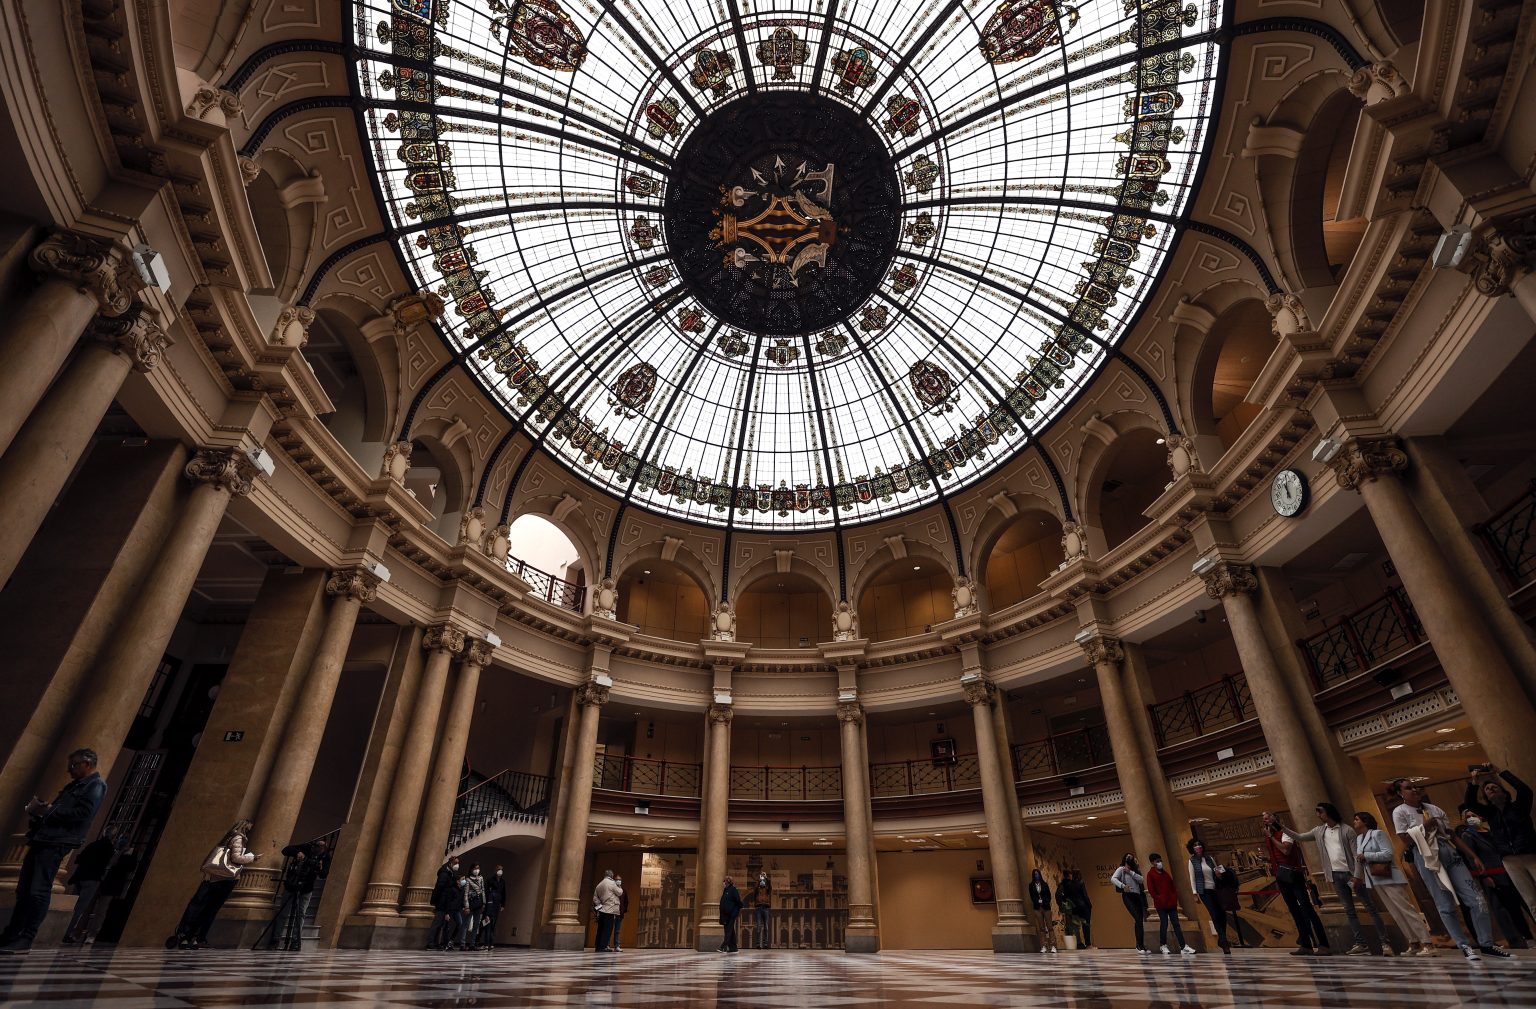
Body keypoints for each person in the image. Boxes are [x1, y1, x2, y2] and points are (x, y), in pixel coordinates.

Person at [1390, 777, 1512, 960]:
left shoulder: (1434, 809)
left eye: (1415, 786)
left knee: (1477, 899)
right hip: (1427, 857)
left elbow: (1451, 835)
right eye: (1409, 788)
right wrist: (1424, 827)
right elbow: (1405, 839)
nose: (1414, 790)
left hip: (1449, 853)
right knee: (1445, 904)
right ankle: (1464, 945)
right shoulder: (1400, 811)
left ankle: (1487, 944)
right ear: (1400, 793)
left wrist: (1473, 856)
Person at [0, 748, 108, 955]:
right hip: (43, 839)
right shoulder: (74, 785)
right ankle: (11, 934)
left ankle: (26, 938)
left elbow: (83, 814)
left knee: (38, 891)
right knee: (24, 890)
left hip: (56, 843)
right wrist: (42, 813)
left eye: (74, 765)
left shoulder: (95, 785)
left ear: (87, 764)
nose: (69, 769)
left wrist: (50, 810)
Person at [1281, 802, 1383, 955]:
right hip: (1336, 875)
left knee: (1370, 907)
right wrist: (1281, 827)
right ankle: (1361, 944)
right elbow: (1300, 837)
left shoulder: (1347, 830)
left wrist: (1357, 876)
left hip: (1351, 874)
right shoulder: (1319, 831)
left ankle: (1384, 942)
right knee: (1349, 911)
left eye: (1320, 812)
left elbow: (1356, 855)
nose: (1318, 815)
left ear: (1329, 812)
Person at [166, 820, 259, 950]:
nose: (251, 829)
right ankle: (196, 938)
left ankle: (186, 936)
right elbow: (236, 858)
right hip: (224, 878)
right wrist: (252, 858)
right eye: (250, 826)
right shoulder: (239, 838)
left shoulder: (228, 837)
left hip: (212, 877)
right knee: (210, 909)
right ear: (246, 826)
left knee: (198, 906)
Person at [1464, 764, 1536, 933]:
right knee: (1530, 899)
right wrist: (1474, 781)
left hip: (1530, 854)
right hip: (1510, 861)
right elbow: (1470, 803)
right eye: (1487, 789)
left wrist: (1500, 772)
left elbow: (1524, 790)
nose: (1491, 789)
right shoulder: (1490, 813)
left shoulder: (1519, 807)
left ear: (1504, 792)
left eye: (1494, 787)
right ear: (1487, 797)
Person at [1353, 810, 1429, 956]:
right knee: (1395, 912)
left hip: (1389, 876)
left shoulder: (1378, 834)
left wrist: (1366, 855)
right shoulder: (1359, 839)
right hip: (1375, 879)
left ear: (1365, 821)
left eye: (1357, 819)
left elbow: (1388, 853)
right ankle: (1413, 942)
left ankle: (1427, 942)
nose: (1354, 822)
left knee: (1406, 909)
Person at [1457, 806, 1530, 948]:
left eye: (1473, 815)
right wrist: (1484, 876)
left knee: (1518, 904)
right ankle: (1515, 941)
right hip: (1490, 875)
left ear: (1480, 816)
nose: (1471, 819)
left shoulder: (1489, 831)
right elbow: (1472, 858)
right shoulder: (1468, 835)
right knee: (1501, 909)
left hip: (1506, 871)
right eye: (1468, 817)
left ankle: (1528, 936)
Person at [1260, 810, 1329, 956]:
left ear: (1275, 819)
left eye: (1268, 818)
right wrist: (1267, 859)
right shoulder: (1269, 836)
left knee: (1307, 908)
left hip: (1293, 875)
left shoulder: (1285, 833)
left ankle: (1323, 944)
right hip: (1281, 876)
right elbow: (1278, 856)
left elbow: (1286, 850)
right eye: (1263, 819)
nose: (1265, 821)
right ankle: (1306, 944)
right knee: (1294, 910)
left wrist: (1271, 837)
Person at [268, 839, 328, 951]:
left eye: (321, 848)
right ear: (313, 846)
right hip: (292, 885)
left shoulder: (325, 857)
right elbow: (286, 850)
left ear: (324, 849)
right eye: (316, 846)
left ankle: (295, 942)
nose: (317, 849)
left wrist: (320, 868)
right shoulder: (305, 848)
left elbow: (324, 874)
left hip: (307, 888)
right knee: (283, 912)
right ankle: (275, 939)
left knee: (300, 915)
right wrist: (297, 853)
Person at [62, 831, 119, 943]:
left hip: (80, 877)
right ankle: (66, 933)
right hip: (92, 879)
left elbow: (79, 858)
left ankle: (63, 930)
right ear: (114, 837)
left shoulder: (93, 844)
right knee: (79, 908)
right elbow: (109, 864)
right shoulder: (109, 848)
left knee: (73, 906)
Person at [1145, 853, 1194, 954]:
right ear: (1153, 862)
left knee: (1176, 924)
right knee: (1164, 923)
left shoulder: (1165, 874)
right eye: (1157, 861)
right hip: (1161, 905)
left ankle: (1183, 946)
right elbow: (1151, 890)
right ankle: (1163, 945)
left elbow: (1172, 886)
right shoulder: (1150, 874)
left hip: (1171, 904)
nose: (1160, 863)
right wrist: (1159, 899)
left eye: (1160, 860)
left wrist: (1174, 897)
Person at [1186, 838, 1230, 954]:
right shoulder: (1192, 861)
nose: (1198, 847)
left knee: (1222, 914)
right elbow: (1192, 878)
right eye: (1195, 845)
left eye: (1199, 844)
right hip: (1204, 891)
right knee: (1214, 914)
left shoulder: (1209, 858)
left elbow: (1216, 871)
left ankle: (1222, 938)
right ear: (1192, 848)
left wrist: (1219, 874)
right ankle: (1224, 941)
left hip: (1215, 889)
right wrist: (1194, 893)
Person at [1111, 853, 1149, 955]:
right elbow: (1113, 879)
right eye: (1128, 857)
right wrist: (1123, 886)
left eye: (1131, 857)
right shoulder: (1121, 869)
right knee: (1138, 919)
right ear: (1124, 859)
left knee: (1140, 921)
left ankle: (1141, 945)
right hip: (1128, 897)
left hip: (1137, 896)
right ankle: (1139, 946)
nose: (1129, 858)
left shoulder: (1134, 870)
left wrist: (1131, 872)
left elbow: (1141, 880)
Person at [428, 856, 461, 950]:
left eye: (458, 863)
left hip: (446, 901)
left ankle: (436, 943)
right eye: (456, 863)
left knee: (441, 924)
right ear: (450, 863)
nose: (457, 865)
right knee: (437, 923)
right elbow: (440, 888)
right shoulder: (444, 873)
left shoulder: (450, 873)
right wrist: (436, 900)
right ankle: (430, 943)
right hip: (442, 901)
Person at [1213, 859, 1246, 947]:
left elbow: (1223, 878)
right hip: (1224, 896)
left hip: (1224, 897)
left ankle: (1231, 939)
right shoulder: (1219, 869)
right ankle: (1229, 939)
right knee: (1224, 916)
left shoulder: (1219, 868)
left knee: (1225, 916)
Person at [1026, 868, 1057, 952]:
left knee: (1049, 926)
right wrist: (1037, 901)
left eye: (1038, 874)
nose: (1037, 876)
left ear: (1040, 875)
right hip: (1037, 908)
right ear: (1033, 876)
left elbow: (1049, 896)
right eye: (1035, 874)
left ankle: (1053, 946)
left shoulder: (1044, 884)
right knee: (1041, 928)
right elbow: (1032, 897)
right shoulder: (1031, 885)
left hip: (1046, 907)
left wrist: (1044, 901)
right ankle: (1044, 946)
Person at [456, 863, 485, 952]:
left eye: (478, 868)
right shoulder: (468, 879)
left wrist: (484, 903)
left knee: (476, 925)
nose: (477, 870)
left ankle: (472, 944)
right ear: (471, 869)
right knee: (465, 924)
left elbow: (483, 890)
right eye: (475, 868)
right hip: (470, 903)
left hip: (479, 904)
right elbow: (466, 894)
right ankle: (462, 944)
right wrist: (467, 906)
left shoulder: (481, 878)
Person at [593, 868, 621, 952]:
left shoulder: (599, 884)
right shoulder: (612, 883)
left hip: (602, 910)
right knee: (607, 929)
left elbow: (595, 898)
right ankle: (603, 946)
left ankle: (598, 946)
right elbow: (619, 892)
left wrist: (600, 907)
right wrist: (619, 885)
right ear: (611, 875)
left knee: (600, 929)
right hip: (610, 910)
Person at [481, 865, 506, 950]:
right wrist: (484, 903)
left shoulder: (502, 881)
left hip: (497, 904)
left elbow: (504, 893)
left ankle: (491, 943)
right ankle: (486, 943)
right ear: (495, 870)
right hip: (489, 903)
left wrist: (503, 905)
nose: (500, 871)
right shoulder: (490, 880)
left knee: (493, 924)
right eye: (499, 869)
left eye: (501, 870)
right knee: (487, 923)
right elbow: (485, 891)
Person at [1069, 869, 1093, 948]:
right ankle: (1088, 944)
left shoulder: (1070, 885)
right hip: (1084, 907)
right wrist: (1090, 905)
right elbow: (1085, 896)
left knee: (1076, 926)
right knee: (1086, 926)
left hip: (1075, 908)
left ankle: (1079, 943)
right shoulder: (1081, 883)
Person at [718, 876, 742, 953]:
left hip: (731, 914)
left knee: (728, 931)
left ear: (728, 882)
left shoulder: (733, 890)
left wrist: (734, 911)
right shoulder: (726, 890)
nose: (723, 883)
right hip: (725, 915)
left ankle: (723, 947)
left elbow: (738, 901)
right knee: (730, 931)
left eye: (724, 881)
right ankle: (733, 948)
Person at [749, 871, 771, 948]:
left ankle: (765, 944)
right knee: (758, 927)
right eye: (762, 879)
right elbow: (754, 890)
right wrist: (759, 880)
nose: (762, 881)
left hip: (766, 908)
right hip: (758, 908)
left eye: (763, 879)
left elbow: (770, 886)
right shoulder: (757, 889)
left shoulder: (767, 889)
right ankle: (758, 944)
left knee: (766, 927)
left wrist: (766, 878)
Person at [613, 875, 628, 952]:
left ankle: (617, 945)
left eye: (620, 880)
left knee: (617, 930)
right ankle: (607, 945)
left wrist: (623, 910)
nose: (618, 881)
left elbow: (626, 901)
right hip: (612, 912)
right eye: (617, 880)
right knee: (609, 930)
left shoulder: (623, 890)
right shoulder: (612, 890)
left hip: (620, 913)